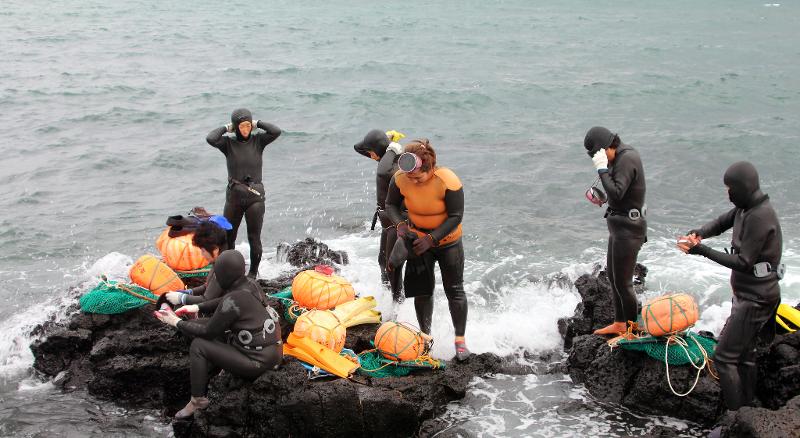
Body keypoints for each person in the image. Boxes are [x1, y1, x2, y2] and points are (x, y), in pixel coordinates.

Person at [678, 161, 783, 410]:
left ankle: (736, 416)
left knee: (724, 358)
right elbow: (720, 223)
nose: (727, 193)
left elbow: (745, 262)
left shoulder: (760, 216)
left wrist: (701, 250)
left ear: (742, 188)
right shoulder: (745, 209)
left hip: (757, 299)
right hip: (747, 295)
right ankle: (748, 409)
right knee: (745, 357)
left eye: (729, 188)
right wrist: (699, 233)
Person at [154, 249, 282, 419]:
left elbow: (208, 332)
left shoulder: (233, 300)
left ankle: (197, 400)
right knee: (194, 324)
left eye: (216, 274)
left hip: (258, 362)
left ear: (222, 276)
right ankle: (208, 368)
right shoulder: (251, 284)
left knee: (199, 346)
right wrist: (197, 307)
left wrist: (174, 321)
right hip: (271, 351)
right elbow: (222, 302)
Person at [384, 139, 470, 361]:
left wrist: (433, 239)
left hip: (448, 241)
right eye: (410, 177)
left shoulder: (447, 180)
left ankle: (460, 341)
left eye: (419, 177)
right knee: (422, 291)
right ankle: (425, 338)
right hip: (417, 239)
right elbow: (391, 205)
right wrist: (401, 226)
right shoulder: (401, 178)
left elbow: (456, 216)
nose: (413, 181)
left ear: (430, 168)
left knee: (455, 290)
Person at [583, 127, 647, 336]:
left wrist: (602, 170)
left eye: (599, 156)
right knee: (613, 276)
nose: (601, 161)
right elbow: (614, 194)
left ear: (606, 147)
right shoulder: (617, 159)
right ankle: (620, 323)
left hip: (630, 230)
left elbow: (618, 194)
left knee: (624, 282)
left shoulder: (627, 158)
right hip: (619, 228)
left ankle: (631, 330)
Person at [206, 108, 282, 279]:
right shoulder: (228, 144)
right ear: (236, 126)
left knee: (253, 237)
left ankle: (252, 274)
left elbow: (276, 131)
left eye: (248, 125)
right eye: (242, 126)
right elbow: (211, 138)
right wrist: (227, 127)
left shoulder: (259, 141)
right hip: (234, 198)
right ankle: (229, 272)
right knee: (227, 237)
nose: (246, 129)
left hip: (255, 198)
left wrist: (257, 123)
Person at [354, 129, 406, 301]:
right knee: (382, 262)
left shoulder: (395, 162)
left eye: (371, 152)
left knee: (392, 267)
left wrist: (391, 148)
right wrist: (385, 141)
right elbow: (357, 147)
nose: (369, 155)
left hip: (395, 222)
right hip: (386, 223)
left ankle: (398, 304)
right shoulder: (386, 158)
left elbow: (383, 173)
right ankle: (387, 297)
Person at [163, 222, 232, 313]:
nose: (202, 255)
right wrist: (188, 292)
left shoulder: (223, 267)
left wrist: (181, 298)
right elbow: (207, 287)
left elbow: (206, 299)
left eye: (203, 251)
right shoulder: (219, 260)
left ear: (215, 249)